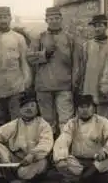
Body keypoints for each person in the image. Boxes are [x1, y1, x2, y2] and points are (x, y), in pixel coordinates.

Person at [0, 91, 54, 183]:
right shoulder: (14, 124)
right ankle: (15, 180)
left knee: (32, 168)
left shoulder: (43, 125)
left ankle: (11, 179)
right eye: (25, 106)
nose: (29, 109)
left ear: (37, 108)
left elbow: (46, 143)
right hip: (15, 161)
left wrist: (32, 155)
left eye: (32, 106)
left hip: (33, 161)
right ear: (20, 109)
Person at [27, 7, 80, 135]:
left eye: (56, 18)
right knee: (47, 121)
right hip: (44, 85)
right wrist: (44, 55)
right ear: (46, 20)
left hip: (64, 86)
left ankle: (64, 149)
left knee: (66, 120)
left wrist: (74, 83)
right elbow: (29, 58)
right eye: (51, 19)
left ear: (61, 19)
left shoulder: (70, 39)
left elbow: (76, 63)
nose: (54, 21)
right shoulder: (39, 38)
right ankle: (48, 149)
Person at [0, 6, 32, 132]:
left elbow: (24, 61)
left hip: (15, 86)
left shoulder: (19, 38)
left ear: (10, 18)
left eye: (5, 17)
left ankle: (16, 148)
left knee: (16, 120)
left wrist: (27, 80)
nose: (3, 20)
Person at [53, 94, 108, 183]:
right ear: (77, 109)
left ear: (93, 108)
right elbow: (63, 140)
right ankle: (97, 177)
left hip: (98, 161)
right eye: (81, 107)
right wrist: (61, 157)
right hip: (78, 163)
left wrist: (105, 151)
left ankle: (79, 180)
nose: (85, 110)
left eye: (88, 107)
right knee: (61, 163)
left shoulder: (102, 121)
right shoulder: (72, 123)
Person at [80, 14, 108, 120]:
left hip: (105, 91)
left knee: (104, 121)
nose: (97, 29)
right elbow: (82, 69)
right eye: (95, 26)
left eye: (100, 25)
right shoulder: (86, 46)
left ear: (106, 27)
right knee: (88, 120)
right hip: (89, 89)